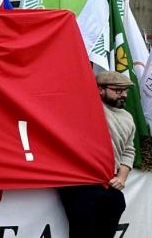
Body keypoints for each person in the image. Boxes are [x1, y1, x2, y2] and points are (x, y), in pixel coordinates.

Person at [58, 71, 135, 238]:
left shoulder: (128, 118)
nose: (123, 95)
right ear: (100, 90)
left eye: (126, 91)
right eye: (118, 90)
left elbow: (128, 150)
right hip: (80, 183)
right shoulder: (86, 108)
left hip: (108, 183)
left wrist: (121, 178)